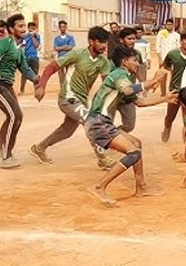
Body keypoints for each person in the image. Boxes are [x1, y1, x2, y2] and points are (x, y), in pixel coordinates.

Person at [85, 48, 172, 207]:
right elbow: (127, 90)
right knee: (134, 152)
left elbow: (140, 102)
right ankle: (99, 187)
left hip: (101, 123)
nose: (137, 64)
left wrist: (165, 98)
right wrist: (152, 82)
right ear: (124, 61)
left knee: (136, 145)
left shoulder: (124, 79)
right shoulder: (119, 74)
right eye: (134, 60)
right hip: (99, 122)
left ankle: (141, 188)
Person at [31, 26, 115, 167]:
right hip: (68, 98)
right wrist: (42, 86)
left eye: (105, 42)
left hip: (81, 101)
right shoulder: (77, 54)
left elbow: (106, 84)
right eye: (100, 42)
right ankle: (102, 159)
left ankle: (39, 148)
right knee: (91, 122)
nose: (104, 45)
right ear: (91, 41)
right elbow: (52, 66)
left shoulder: (103, 62)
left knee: (67, 130)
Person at [0, 13, 39, 169]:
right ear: (11, 29)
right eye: (20, 26)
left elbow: (24, 68)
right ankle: (6, 156)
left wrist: (37, 80)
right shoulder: (4, 43)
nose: (23, 29)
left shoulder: (19, 47)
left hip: (7, 85)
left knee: (12, 115)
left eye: (24, 26)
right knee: (15, 115)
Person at [161, 29, 186, 142]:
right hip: (175, 90)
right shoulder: (172, 54)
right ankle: (167, 128)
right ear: (181, 41)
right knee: (170, 116)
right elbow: (165, 67)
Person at [109, 27, 146, 133]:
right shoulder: (115, 54)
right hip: (113, 94)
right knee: (106, 123)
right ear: (121, 40)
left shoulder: (137, 54)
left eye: (134, 39)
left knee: (129, 125)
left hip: (128, 95)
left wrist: (143, 85)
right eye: (129, 39)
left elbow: (139, 69)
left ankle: (115, 136)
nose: (132, 41)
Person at [155, 18, 180, 94]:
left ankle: (172, 91)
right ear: (165, 25)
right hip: (163, 58)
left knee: (174, 76)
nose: (169, 26)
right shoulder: (161, 33)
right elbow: (158, 46)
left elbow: (178, 47)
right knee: (163, 76)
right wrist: (159, 58)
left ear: (173, 25)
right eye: (167, 24)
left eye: (170, 24)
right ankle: (163, 93)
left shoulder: (177, 35)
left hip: (174, 58)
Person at [20, 22, 41, 95]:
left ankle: (36, 90)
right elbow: (21, 44)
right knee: (24, 74)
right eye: (30, 28)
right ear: (28, 28)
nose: (32, 30)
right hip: (26, 57)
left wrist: (33, 37)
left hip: (35, 57)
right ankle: (22, 90)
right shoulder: (25, 36)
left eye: (33, 28)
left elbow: (36, 45)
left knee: (35, 74)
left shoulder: (37, 36)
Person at [53, 20, 76, 86]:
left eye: (64, 27)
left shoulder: (70, 37)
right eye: (61, 27)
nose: (63, 28)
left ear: (66, 27)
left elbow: (70, 47)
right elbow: (55, 48)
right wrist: (65, 46)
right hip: (60, 58)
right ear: (59, 28)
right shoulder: (57, 38)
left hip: (69, 58)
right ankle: (62, 89)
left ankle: (68, 88)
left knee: (69, 74)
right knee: (61, 75)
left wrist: (60, 48)